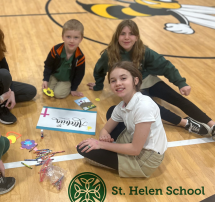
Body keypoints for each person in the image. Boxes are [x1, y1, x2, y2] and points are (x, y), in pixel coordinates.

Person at [87, 19, 215, 139]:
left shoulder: (144, 51)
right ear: (117, 37)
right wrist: (98, 85)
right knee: (154, 108)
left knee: (177, 98)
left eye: (131, 34)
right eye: (123, 34)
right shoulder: (109, 54)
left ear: (137, 37)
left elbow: (165, 65)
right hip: (132, 88)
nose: (127, 37)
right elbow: (99, 70)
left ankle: (211, 124)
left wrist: (181, 83)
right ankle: (185, 123)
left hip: (148, 80)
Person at [78, 61, 167, 178]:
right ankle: (117, 149)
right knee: (112, 111)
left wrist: (100, 144)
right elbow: (105, 129)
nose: (118, 83)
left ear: (135, 81)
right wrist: (104, 136)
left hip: (147, 158)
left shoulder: (144, 106)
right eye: (113, 80)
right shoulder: (122, 105)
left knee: (83, 150)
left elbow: (135, 150)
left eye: (123, 78)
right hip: (134, 143)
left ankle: (119, 154)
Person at [42, 19, 85, 98]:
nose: (72, 41)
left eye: (76, 37)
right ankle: (55, 82)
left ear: (81, 39)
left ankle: (66, 86)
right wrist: (46, 79)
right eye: (68, 37)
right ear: (63, 37)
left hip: (67, 80)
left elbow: (79, 75)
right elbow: (48, 65)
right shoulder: (55, 50)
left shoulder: (80, 57)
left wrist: (73, 89)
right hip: (55, 75)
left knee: (58, 94)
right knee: (46, 89)